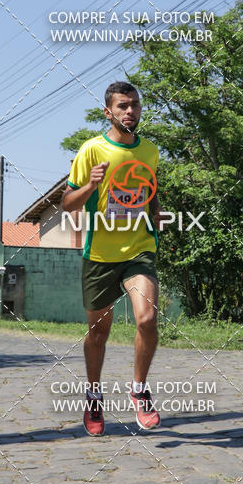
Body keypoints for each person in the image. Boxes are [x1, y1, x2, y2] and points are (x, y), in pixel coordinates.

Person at [62, 82, 163, 436]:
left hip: (139, 248)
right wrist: (90, 186)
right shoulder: (92, 150)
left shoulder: (150, 151)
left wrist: (157, 213)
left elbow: (149, 189)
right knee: (98, 333)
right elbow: (67, 203)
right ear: (108, 112)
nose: (130, 111)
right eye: (123, 105)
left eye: (135, 104)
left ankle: (139, 389)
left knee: (147, 318)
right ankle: (93, 396)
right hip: (100, 255)